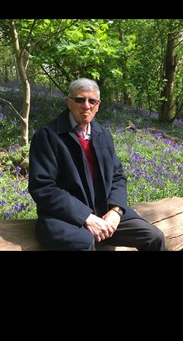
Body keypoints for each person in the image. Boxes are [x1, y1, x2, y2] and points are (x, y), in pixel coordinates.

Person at [28, 77, 166, 251]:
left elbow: (117, 177)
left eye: (92, 101)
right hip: (64, 217)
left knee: (153, 237)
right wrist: (85, 216)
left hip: (104, 213)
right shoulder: (48, 135)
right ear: (68, 102)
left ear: (98, 105)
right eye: (80, 100)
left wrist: (116, 211)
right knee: (83, 243)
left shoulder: (103, 134)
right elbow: (43, 187)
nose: (86, 105)